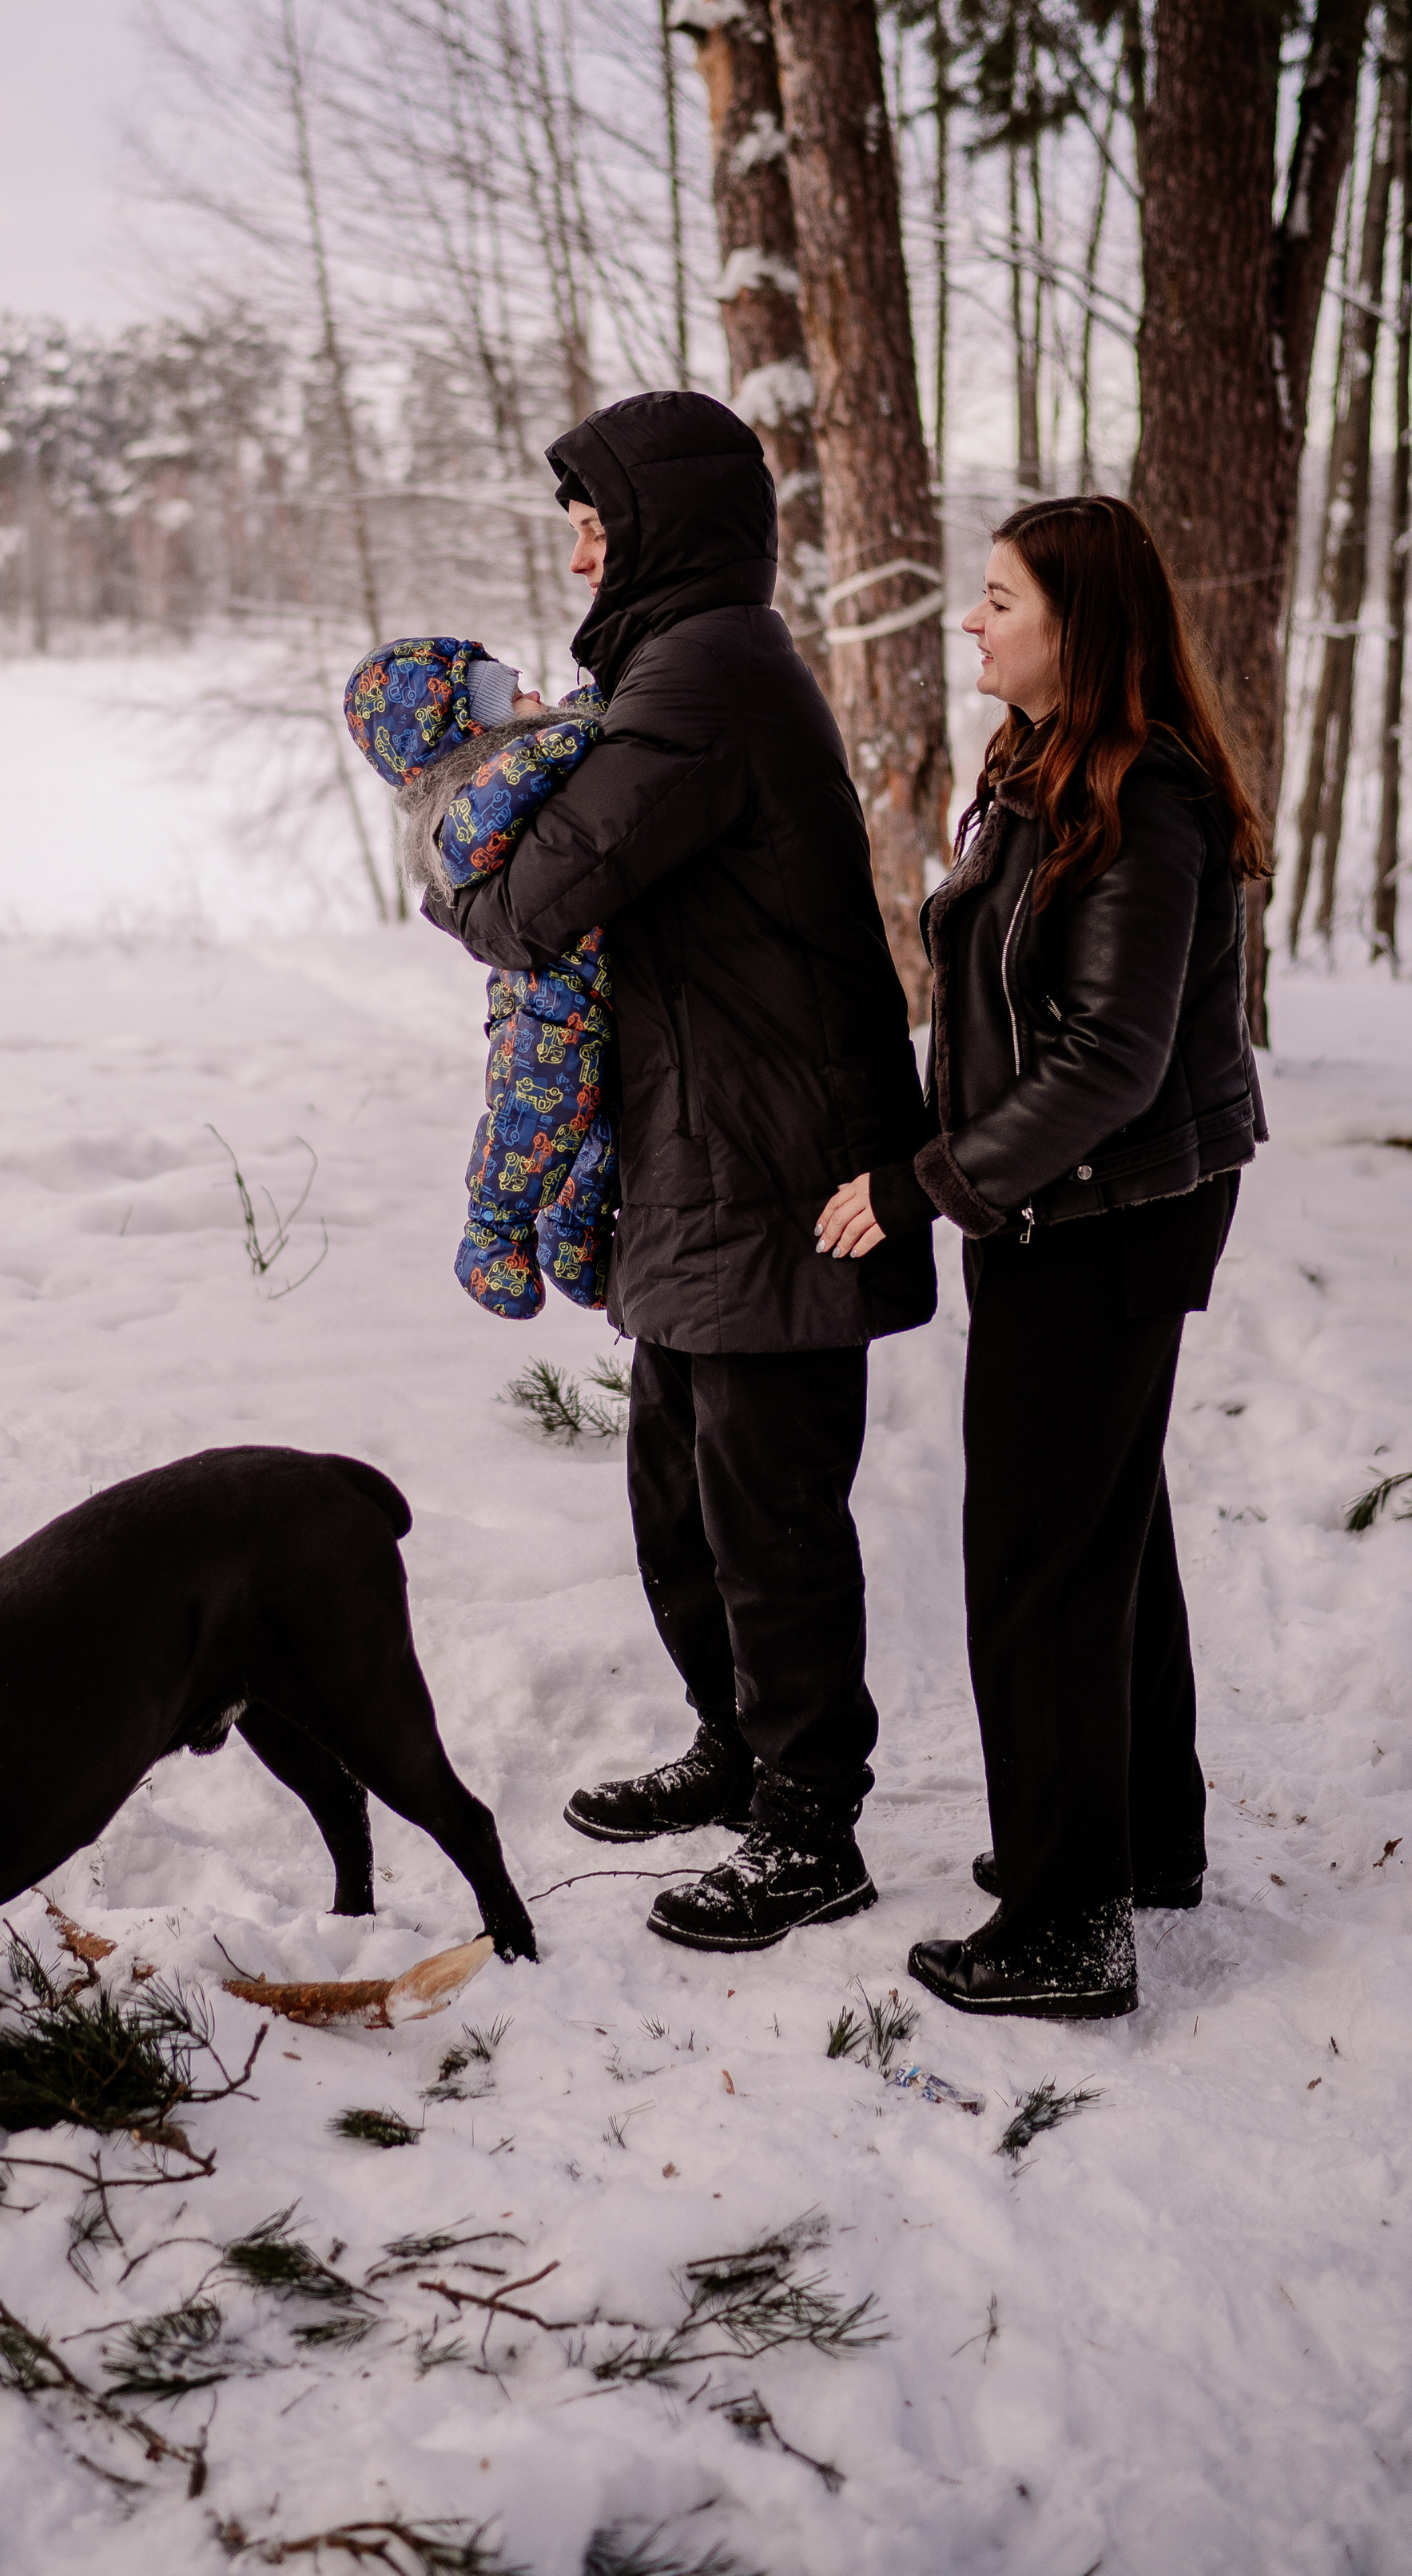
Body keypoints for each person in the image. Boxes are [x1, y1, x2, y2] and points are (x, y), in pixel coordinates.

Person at [432, 388, 936, 1954]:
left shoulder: (705, 672)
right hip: (701, 1145)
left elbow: (531, 902)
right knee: (677, 1490)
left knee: (768, 1511)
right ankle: (736, 1748)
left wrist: (451, 846)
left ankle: (809, 1827)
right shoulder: (673, 664)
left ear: (660, 523)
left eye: (594, 512)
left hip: (778, 1160)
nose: (575, 539)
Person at [816, 495, 1270, 2021]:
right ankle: (1140, 1843)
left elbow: (1109, 1062)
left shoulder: (1145, 796)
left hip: (1106, 1212)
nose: (972, 618)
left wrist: (931, 1180)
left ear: (1078, 624)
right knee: (1099, 1526)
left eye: (1000, 596)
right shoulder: (1046, 770)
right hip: (1069, 1206)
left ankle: (1069, 1924)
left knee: (1037, 1563)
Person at [344, 635, 616, 1315]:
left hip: (583, 992)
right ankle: (492, 1235)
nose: (524, 683)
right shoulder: (462, 799)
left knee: (602, 1128)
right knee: (532, 1122)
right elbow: (502, 798)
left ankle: (573, 1233)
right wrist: (578, 730)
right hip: (547, 1008)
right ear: (461, 726)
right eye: (501, 690)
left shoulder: (508, 759)